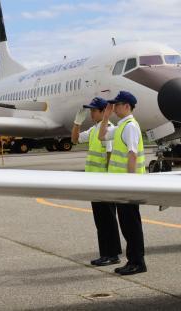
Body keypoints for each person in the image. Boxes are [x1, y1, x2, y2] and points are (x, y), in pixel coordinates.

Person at [99, 91, 147, 275]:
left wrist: (130, 183)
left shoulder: (130, 126)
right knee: (126, 226)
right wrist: (106, 116)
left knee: (131, 226)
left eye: (117, 105)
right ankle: (132, 261)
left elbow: (132, 155)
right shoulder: (121, 126)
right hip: (121, 186)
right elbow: (102, 136)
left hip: (128, 186)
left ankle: (138, 262)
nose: (114, 108)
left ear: (127, 106)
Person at [71, 97, 122, 267]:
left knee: (108, 220)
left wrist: (108, 182)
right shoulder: (94, 130)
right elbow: (75, 140)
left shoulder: (107, 130)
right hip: (94, 182)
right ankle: (105, 254)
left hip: (104, 182)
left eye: (94, 110)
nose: (91, 113)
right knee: (101, 221)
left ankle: (113, 254)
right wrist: (77, 122)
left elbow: (109, 155)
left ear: (102, 112)